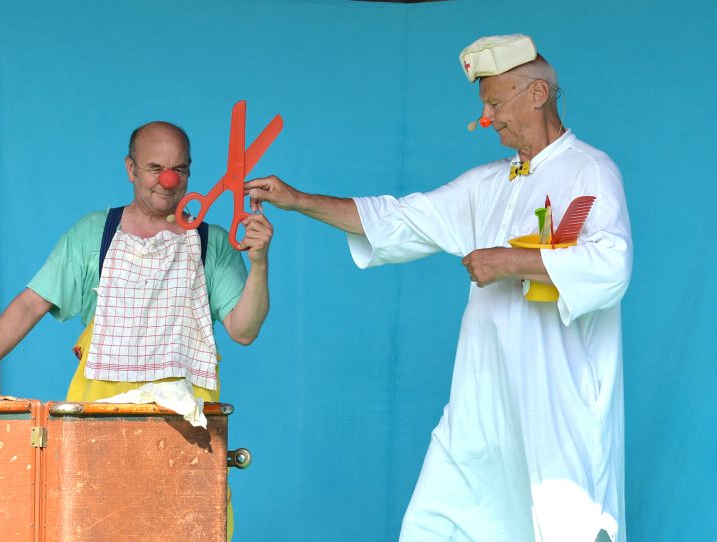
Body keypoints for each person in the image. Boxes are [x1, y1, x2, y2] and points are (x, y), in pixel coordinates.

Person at [244, 35, 631, 542]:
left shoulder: (590, 172)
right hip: (478, 413)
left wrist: (510, 260)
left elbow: (612, 264)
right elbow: (399, 219)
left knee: (560, 529)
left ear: (537, 94)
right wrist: (299, 201)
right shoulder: (488, 184)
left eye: (494, 103)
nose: (487, 118)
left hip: (552, 410)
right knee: (428, 528)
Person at [0, 121, 272, 540]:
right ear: (130, 169)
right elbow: (32, 302)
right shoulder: (96, 234)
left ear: (190, 174)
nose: (167, 180)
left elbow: (244, 329)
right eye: (154, 167)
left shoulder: (211, 244)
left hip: (186, 434)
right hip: (96, 430)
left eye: (179, 169)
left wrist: (259, 264)